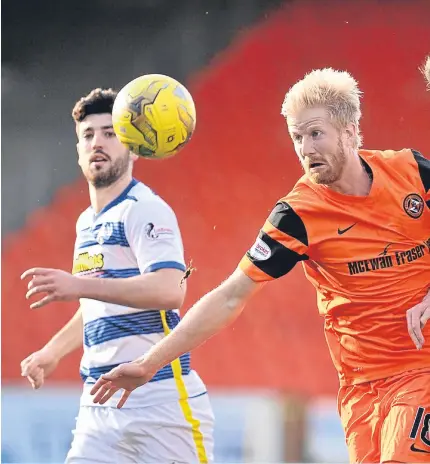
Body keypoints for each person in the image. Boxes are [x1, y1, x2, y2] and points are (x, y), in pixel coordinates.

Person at [90, 69, 430, 463]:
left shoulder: (411, 172)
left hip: (421, 369)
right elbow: (232, 295)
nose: (306, 149)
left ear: (351, 131)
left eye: (315, 134)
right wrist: (149, 363)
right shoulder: (297, 215)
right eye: (297, 138)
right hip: (361, 388)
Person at [20, 88, 214, 464]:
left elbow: (170, 289)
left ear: (133, 146)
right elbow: (97, 304)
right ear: (78, 151)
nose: (98, 143)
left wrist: (78, 284)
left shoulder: (145, 209)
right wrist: (51, 352)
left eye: (110, 133)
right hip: (99, 405)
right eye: (88, 135)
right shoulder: (86, 223)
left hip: (160, 405)